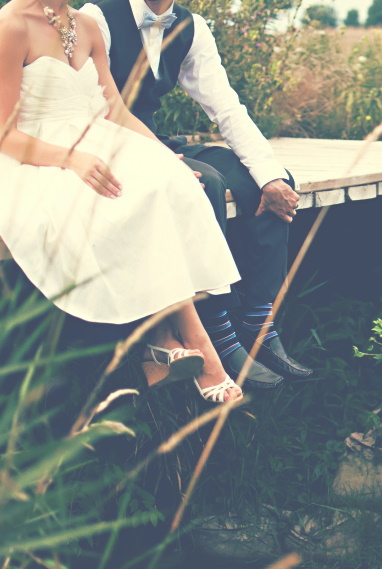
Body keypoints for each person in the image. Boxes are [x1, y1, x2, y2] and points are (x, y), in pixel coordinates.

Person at [0, 0, 244, 403]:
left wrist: (168, 159)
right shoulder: (10, 26)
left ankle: (164, 344)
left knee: (169, 184)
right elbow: (4, 131)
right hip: (35, 152)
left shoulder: (86, 24)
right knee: (116, 201)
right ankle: (195, 346)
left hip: (96, 137)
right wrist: (71, 158)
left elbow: (113, 108)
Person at [80, 0, 313, 390]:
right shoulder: (98, 16)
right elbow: (94, 104)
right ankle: (215, 328)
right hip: (107, 146)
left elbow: (226, 107)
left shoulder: (191, 26)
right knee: (204, 185)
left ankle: (258, 321)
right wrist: (163, 159)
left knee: (267, 178)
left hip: (156, 141)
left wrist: (269, 176)